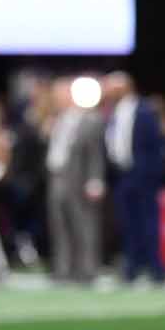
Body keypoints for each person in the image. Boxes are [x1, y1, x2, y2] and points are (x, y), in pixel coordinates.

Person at [103, 71, 165, 286]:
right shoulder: (114, 112)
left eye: (114, 87)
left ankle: (155, 268)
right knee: (128, 224)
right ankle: (132, 267)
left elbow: (156, 146)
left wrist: (150, 173)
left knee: (148, 222)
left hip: (143, 175)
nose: (110, 92)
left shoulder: (144, 110)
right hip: (122, 175)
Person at [46, 78, 108, 285]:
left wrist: (95, 179)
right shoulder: (60, 119)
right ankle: (63, 269)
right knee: (59, 224)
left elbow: (96, 153)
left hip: (79, 178)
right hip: (57, 175)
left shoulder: (91, 119)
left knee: (84, 224)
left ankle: (87, 269)